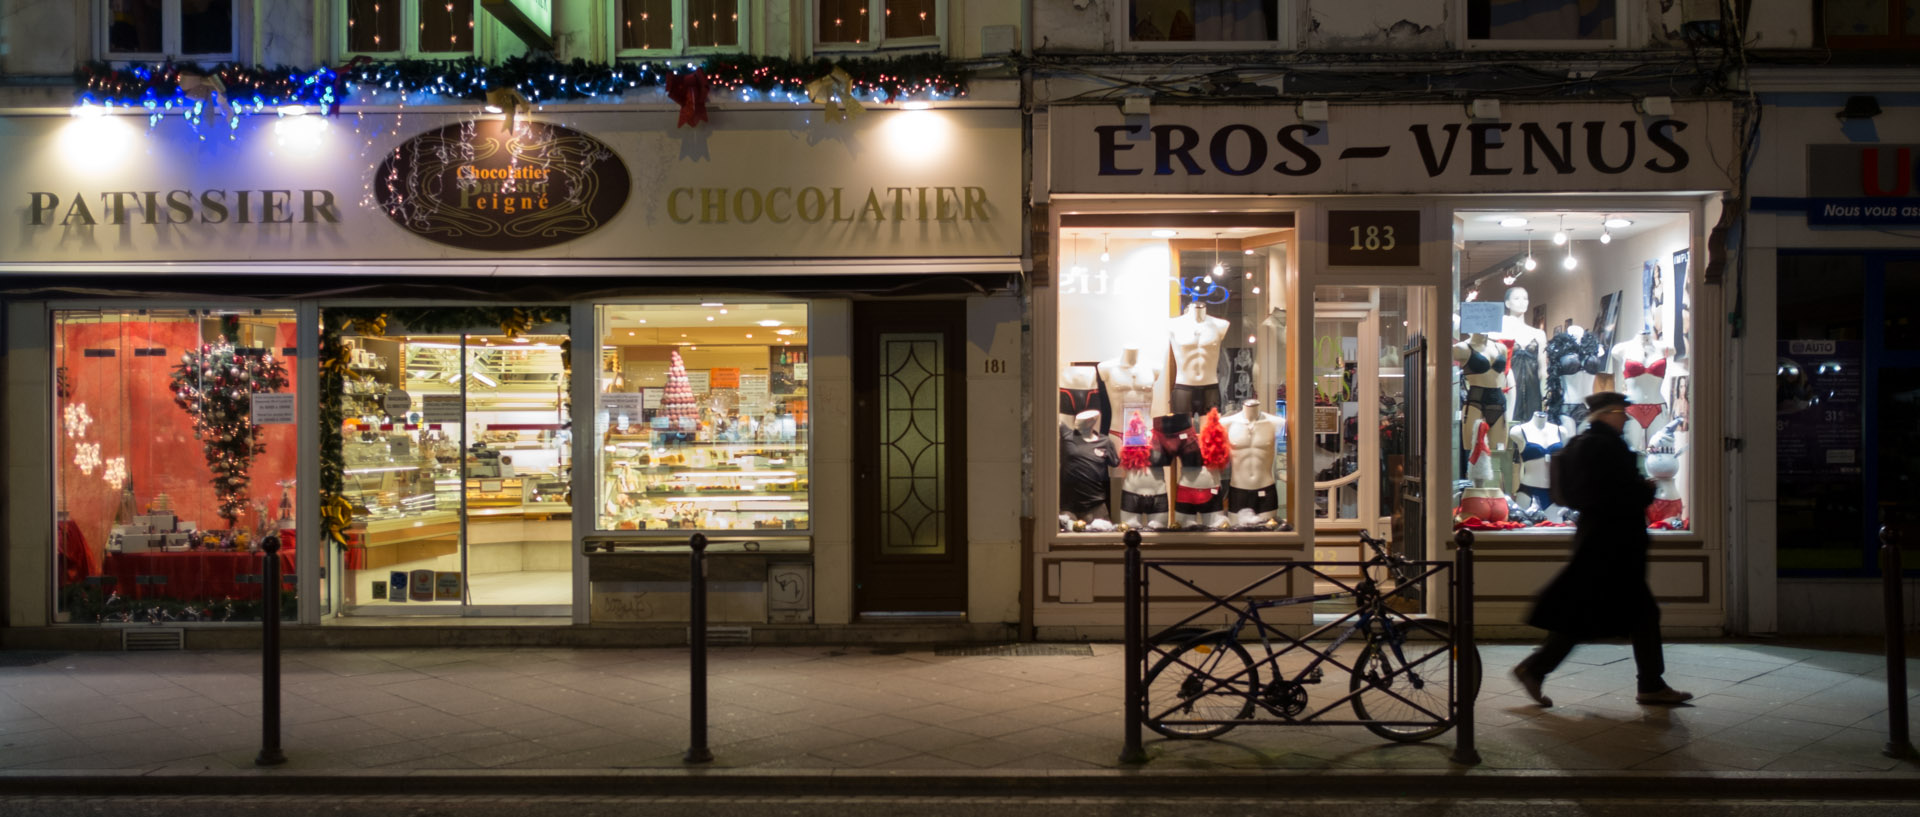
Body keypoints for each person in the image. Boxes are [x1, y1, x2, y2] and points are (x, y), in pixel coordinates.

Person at [1510, 391, 1693, 707]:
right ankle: (1648, 684)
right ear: (1608, 413)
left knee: (1587, 613)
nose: (1625, 417)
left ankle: (1537, 669)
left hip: (1599, 540)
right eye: (1621, 412)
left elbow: (1591, 493)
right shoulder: (1606, 447)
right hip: (1614, 543)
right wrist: (1644, 490)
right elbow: (1617, 492)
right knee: (1634, 613)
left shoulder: (1584, 445)